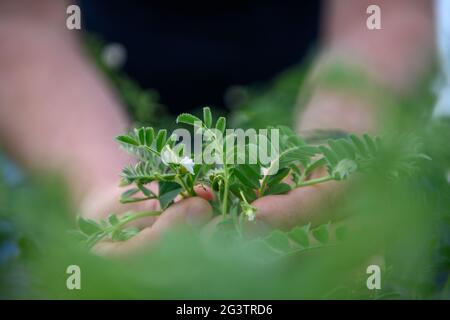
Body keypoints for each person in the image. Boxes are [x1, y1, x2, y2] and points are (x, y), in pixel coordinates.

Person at [0, 0, 435, 255]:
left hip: (302, 101)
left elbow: (382, 14)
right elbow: (19, 21)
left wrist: (335, 152)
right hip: (80, 111)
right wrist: (101, 187)